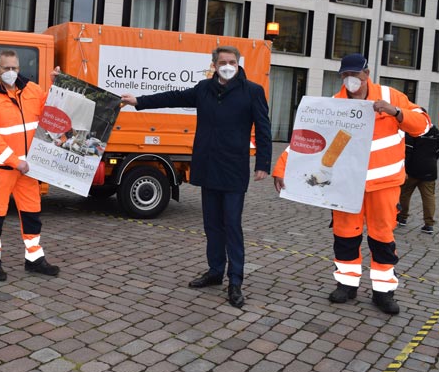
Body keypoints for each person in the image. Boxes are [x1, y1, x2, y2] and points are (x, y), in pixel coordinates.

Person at [272, 53, 430, 315]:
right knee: (345, 236)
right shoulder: (335, 103)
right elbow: (307, 140)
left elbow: (423, 125)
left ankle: (383, 291)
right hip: (346, 185)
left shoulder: (391, 97)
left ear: (367, 74)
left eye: (355, 74)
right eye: (345, 75)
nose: (350, 80)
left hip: (384, 185)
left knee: (382, 238)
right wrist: (282, 167)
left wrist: (397, 113)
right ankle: (346, 284)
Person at [121, 45, 272, 308]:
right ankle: (215, 271)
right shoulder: (204, 89)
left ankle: (235, 280)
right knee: (212, 225)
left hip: (234, 169)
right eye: (223, 61)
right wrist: (139, 102)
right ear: (214, 64)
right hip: (208, 166)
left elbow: (263, 128)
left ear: (238, 64)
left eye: (232, 61)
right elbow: (174, 97)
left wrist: (263, 163)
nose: (228, 65)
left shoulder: (252, 91)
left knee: (232, 226)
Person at [0, 49, 61, 281]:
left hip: (28, 169)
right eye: (7, 68)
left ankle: (34, 258)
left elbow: (51, 113)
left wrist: (57, 86)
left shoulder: (34, 90)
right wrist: (16, 162)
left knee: (32, 213)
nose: (11, 72)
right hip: (1, 169)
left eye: (15, 68)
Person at [397, 121, 439, 235]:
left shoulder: (412, 131)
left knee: (405, 193)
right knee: (429, 197)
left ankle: (402, 217)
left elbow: (408, 151)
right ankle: (429, 224)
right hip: (430, 169)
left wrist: (404, 168)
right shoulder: (435, 131)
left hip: (413, 170)